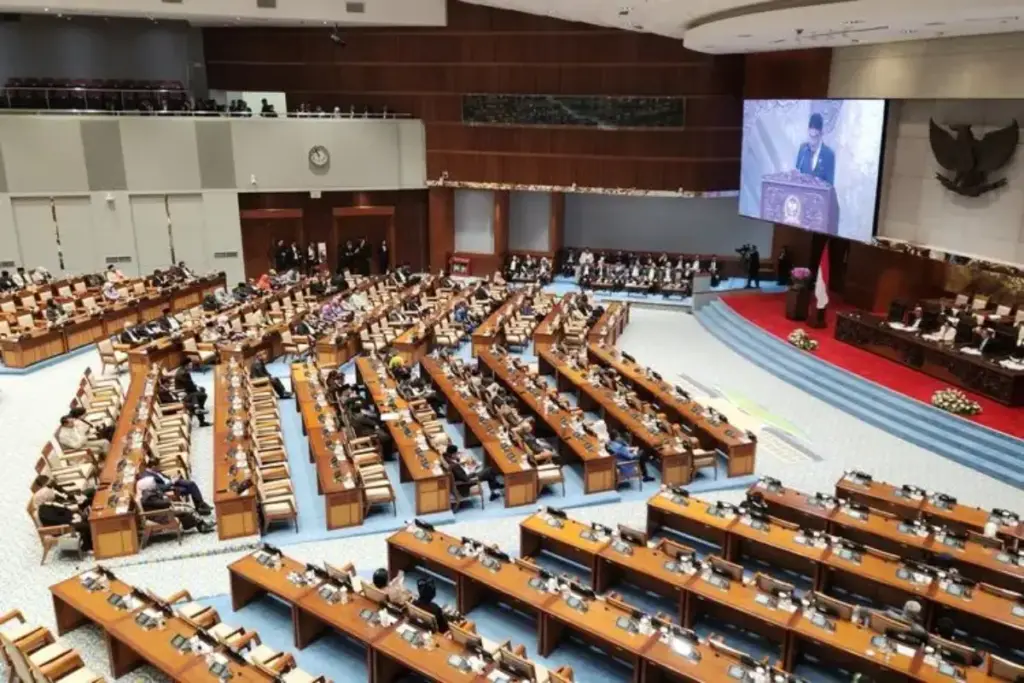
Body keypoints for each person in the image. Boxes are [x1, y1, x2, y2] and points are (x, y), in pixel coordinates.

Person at [31, 477, 93, 551]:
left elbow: (61, 512)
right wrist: (73, 519)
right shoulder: (44, 511)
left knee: (87, 520)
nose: (53, 496)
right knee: (87, 525)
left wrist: (73, 515)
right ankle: (89, 546)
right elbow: (57, 521)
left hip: (68, 523)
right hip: (66, 527)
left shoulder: (46, 507)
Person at [138, 469, 212, 515]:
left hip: (171, 480)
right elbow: (162, 488)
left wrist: (172, 478)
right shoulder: (149, 480)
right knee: (188, 489)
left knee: (191, 484)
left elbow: (163, 476)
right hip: (169, 486)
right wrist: (172, 482)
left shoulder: (150, 470)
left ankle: (200, 504)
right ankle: (200, 507)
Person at [795, 112, 836, 186]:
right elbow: (796, 177)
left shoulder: (829, 155)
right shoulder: (803, 150)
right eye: (811, 136)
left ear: (821, 134)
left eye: (815, 137)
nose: (812, 142)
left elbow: (829, 185)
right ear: (808, 131)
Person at [173, 362, 210, 426]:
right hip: (183, 394)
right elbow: (189, 386)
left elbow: (190, 384)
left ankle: (197, 410)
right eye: (190, 365)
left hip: (187, 391)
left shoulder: (183, 371)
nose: (192, 366)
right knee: (201, 395)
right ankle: (198, 413)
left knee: (199, 395)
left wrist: (196, 388)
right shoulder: (183, 374)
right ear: (186, 365)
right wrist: (197, 389)